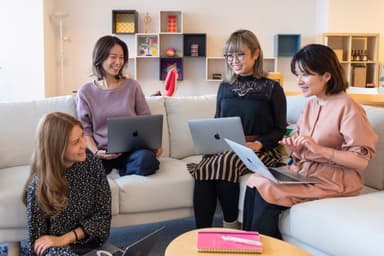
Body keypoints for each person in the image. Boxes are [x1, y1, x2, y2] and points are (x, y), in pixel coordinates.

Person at [243, 44, 378, 239]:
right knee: (256, 179)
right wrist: (295, 148)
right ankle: (246, 245)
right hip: (307, 173)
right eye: (297, 75)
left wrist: (320, 150)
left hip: (336, 181)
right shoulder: (311, 104)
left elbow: (361, 161)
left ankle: (265, 248)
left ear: (327, 75)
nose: (299, 81)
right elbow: (304, 147)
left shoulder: (349, 108)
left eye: (305, 75)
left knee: (267, 187)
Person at [187, 29, 287, 229]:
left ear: (256, 53)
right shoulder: (225, 86)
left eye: (239, 54)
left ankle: (230, 223)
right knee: (207, 165)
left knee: (224, 162)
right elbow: (217, 120)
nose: (233, 60)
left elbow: (279, 129)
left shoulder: (271, 88)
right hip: (227, 147)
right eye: (229, 55)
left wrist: (258, 144)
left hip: (261, 150)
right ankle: (201, 231)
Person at [22, 112, 112, 255]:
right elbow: (39, 245)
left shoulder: (92, 164)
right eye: (76, 142)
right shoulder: (39, 187)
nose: (84, 144)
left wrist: (66, 238)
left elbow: (103, 218)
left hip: (90, 241)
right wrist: (59, 243)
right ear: (57, 148)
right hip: (59, 251)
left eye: (82, 135)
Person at [76, 35, 161, 176]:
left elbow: (146, 119)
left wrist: (154, 145)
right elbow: (85, 131)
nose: (118, 62)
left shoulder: (132, 86)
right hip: (101, 152)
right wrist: (97, 152)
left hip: (131, 151)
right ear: (100, 57)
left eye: (121, 57)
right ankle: (115, 170)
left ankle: (123, 170)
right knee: (81, 165)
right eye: (113, 57)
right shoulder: (85, 92)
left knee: (147, 160)